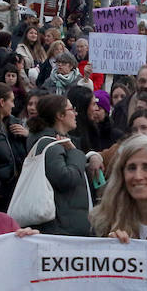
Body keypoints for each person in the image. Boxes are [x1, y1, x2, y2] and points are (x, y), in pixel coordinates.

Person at [23, 94, 99, 235]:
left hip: (64, 225)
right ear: (60, 115)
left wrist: (91, 155)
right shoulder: (50, 143)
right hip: (61, 228)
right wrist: (76, 153)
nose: (75, 113)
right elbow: (65, 178)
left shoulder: (60, 141)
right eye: (72, 109)